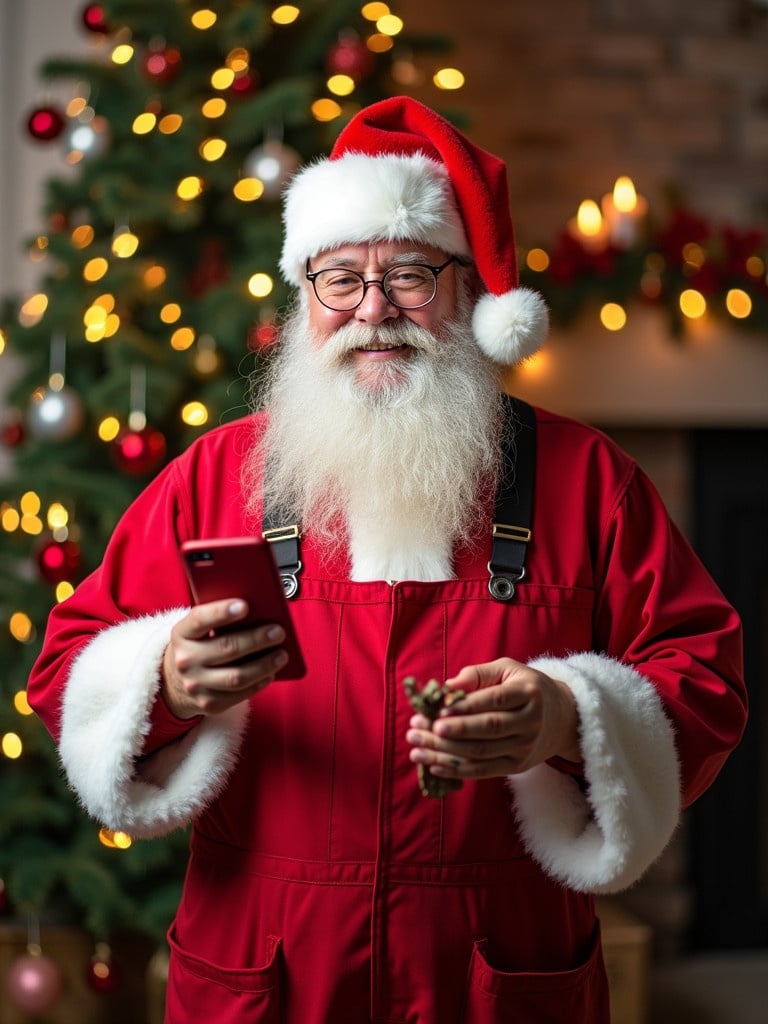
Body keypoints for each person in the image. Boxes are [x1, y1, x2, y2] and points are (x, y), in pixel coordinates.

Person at [27, 96, 746, 1024]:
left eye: (410, 273)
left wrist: (571, 715)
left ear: (467, 295)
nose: (373, 310)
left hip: (496, 974)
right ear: (305, 295)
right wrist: (161, 677)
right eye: (340, 279)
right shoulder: (215, 474)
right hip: (266, 965)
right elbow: (63, 671)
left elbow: (707, 681)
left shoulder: (588, 480)